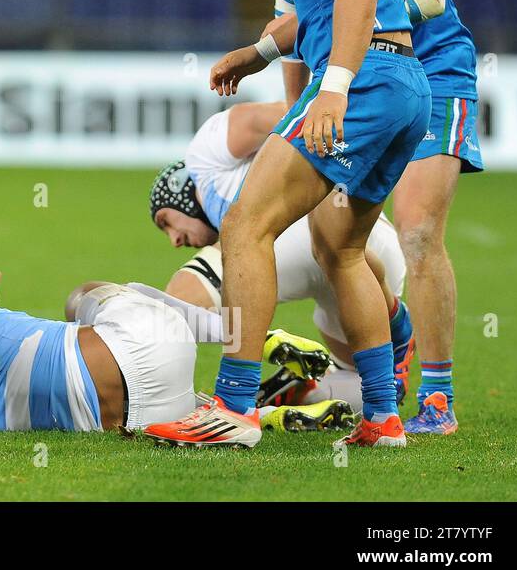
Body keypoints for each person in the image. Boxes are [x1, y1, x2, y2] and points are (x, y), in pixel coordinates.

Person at [143, 0, 430, 450]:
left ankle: (234, 409)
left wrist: (332, 88)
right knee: (342, 248)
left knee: (244, 223)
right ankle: (384, 415)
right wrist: (259, 53)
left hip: (362, 82)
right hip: (403, 83)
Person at [273, 0, 478, 435]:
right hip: (345, 80)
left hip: (431, 73)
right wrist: (303, 112)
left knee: (415, 229)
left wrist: (356, 15)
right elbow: (297, 25)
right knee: (332, 239)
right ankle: (392, 333)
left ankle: (437, 398)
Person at [0, 174, 337, 433]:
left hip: (140, 416)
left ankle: (275, 415)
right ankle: (242, 336)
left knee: (180, 399)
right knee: (84, 295)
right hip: (151, 344)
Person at [148, 102, 410, 419]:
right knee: (363, 379)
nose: (174, 240)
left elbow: (286, 113)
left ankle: (197, 399)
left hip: (306, 227)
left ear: (177, 189)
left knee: (178, 301)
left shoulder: (202, 156)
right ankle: (317, 385)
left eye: (166, 222)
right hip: (368, 240)